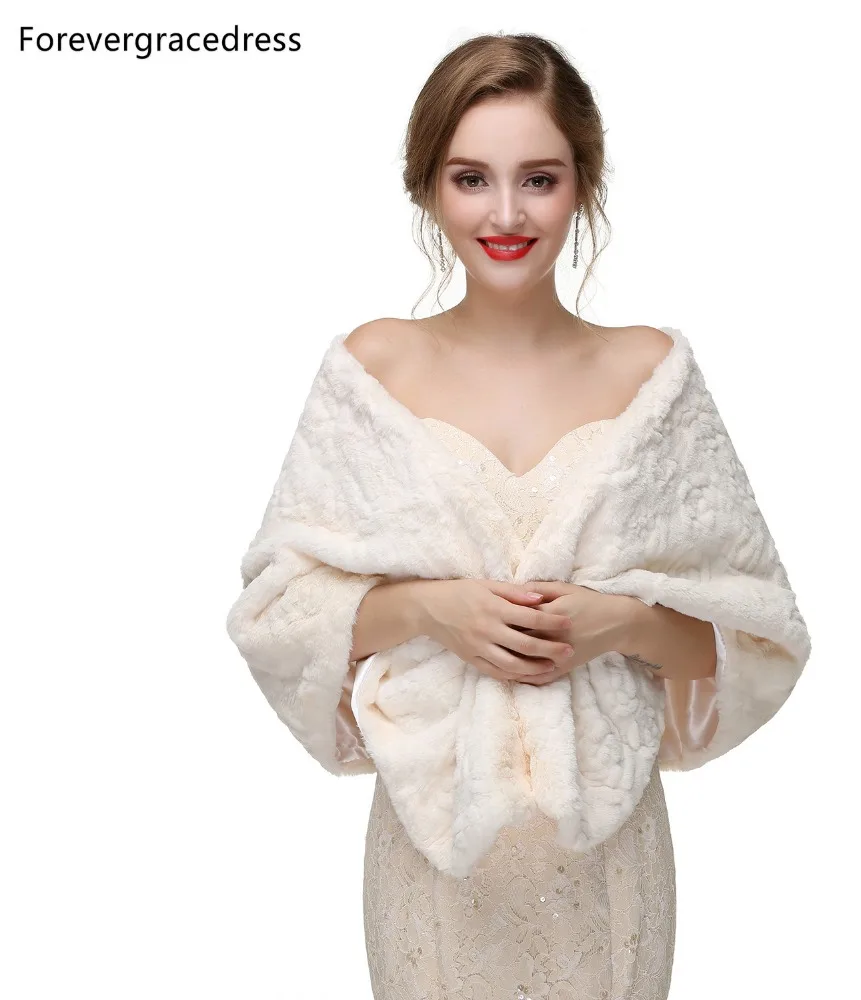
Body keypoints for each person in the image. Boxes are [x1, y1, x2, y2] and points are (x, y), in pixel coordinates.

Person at [227, 32, 810, 1000]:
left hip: (606, 853)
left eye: (538, 179)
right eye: (471, 179)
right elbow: (276, 613)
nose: (505, 214)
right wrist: (429, 608)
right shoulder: (372, 369)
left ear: (584, 184)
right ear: (426, 187)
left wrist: (619, 622)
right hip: (432, 851)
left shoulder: (652, 375)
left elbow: (756, 637)